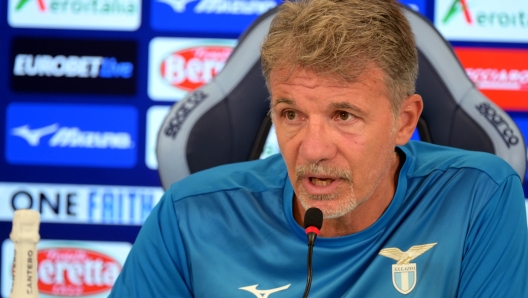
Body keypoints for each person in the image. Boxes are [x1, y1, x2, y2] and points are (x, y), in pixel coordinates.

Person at [109, 0, 528, 296]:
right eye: (291, 114)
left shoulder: (480, 195)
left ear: (404, 121)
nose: (312, 150)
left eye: (343, 115)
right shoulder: (187, 213)